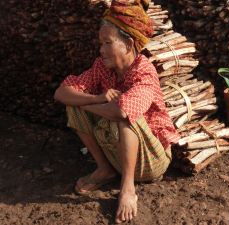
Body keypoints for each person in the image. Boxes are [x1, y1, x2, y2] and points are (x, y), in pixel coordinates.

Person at [54, 0, 180, 223]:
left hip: (150, 161)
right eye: (100, 43)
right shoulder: (102, 67)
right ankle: (105, 169)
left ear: (128, 44)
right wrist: (96, 98)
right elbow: (62, 93)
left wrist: (88, 104)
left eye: (107, 43)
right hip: (116, 154)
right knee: (74, 103)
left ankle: (128, 188)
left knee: (125, 115)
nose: (101, 49)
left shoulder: (144, 73)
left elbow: (121, 112)